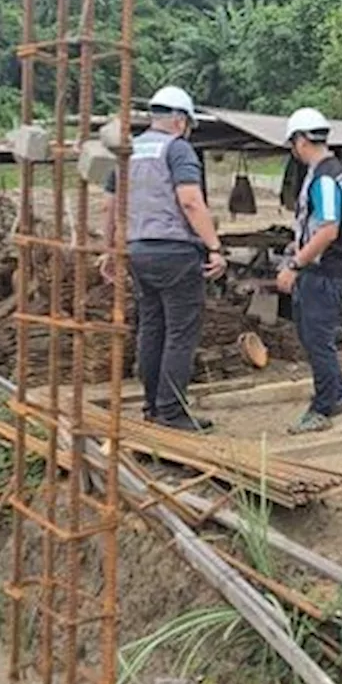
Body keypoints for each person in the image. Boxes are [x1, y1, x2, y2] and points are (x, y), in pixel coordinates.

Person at [100, 86, 225, 432]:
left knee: (151, 328)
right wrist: (214, 246)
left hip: (138, 251)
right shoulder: (178, 149)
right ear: (180, 120)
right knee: (180, 333)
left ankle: (152, 405)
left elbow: (109, 205)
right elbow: (190, 200)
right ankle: (171, 411)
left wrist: (109, 250)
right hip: (175, 252)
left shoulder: (128, 151)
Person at [276, 107, 342, 434]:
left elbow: (327, 230)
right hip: (330, 267)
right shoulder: (332, 170)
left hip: (327, 269)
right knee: (316, 337)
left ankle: (323, 407)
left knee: (316, 339)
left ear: (300, 140)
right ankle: (337, 394)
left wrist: (295, 264)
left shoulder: (324, 178)